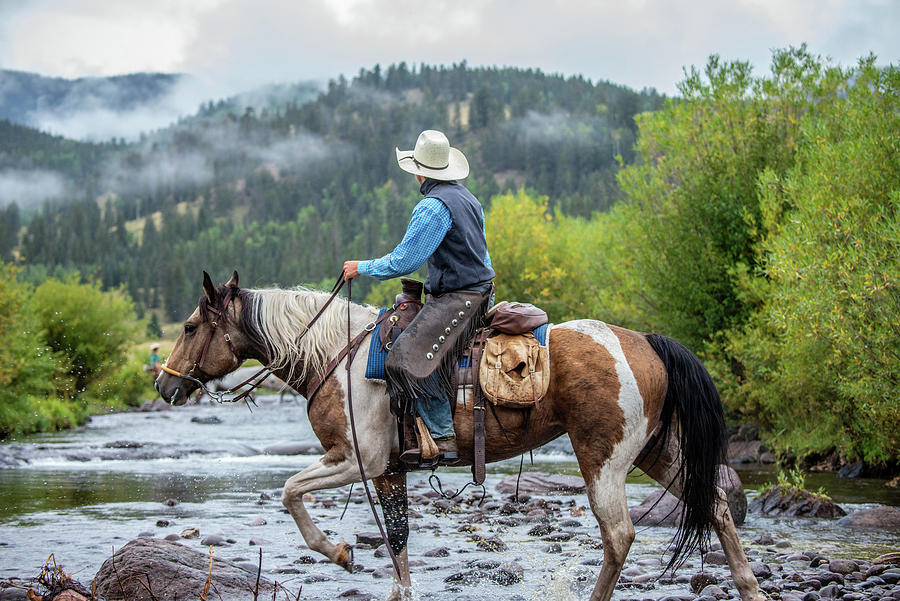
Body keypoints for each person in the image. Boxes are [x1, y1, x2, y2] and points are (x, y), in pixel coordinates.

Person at [343, 130, 494, 465]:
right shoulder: (469, 199)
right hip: (479, 293)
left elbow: (404, 261)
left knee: (405, 359)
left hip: (459, 298)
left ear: (419, 171)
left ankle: (442, 436)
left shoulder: (433, 207)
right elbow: (484, 258)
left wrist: (360, 267)